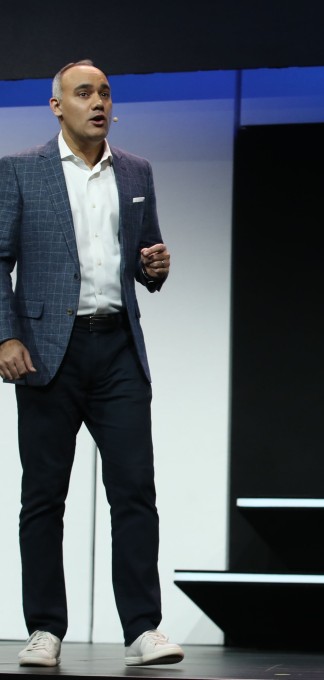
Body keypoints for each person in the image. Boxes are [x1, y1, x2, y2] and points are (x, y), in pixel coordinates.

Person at [0, 60, 184, 667]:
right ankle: (45, 629)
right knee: (43, 498)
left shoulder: (135, 170)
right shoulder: (20, 170)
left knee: (134, 492)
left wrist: (154, 268)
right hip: (48, 349)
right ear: (57, 106)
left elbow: (146, 259)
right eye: (84, 93)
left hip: (118, 349)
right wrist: (4, 337)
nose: (98, 102)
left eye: (105, 93)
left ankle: (143, 629)